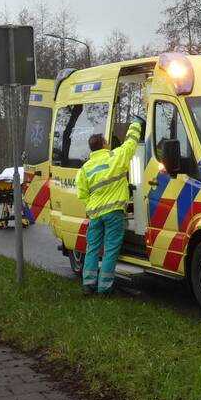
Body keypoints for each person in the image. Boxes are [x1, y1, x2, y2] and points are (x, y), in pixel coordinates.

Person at [76, 117, 144, 296]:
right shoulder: (115, 157)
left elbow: (81, 194)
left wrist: (91, 207)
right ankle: (104, 287)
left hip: (95, 215)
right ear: (105, 144)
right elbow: (131, 144)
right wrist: (136, 124)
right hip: (113, 213)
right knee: (111, 249)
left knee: (92, 249)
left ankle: (88, 284)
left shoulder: (85, 168)